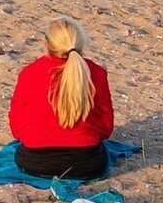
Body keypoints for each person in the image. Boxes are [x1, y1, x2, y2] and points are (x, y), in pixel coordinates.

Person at [7, 20, 115, 180]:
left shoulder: (29, 73)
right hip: (87, 165)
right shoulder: (96, 73)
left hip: (34, 164)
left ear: (47, 45)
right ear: (81, 44)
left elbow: (16, 129)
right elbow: (106, 129)